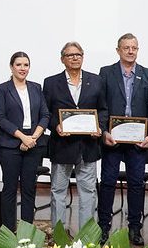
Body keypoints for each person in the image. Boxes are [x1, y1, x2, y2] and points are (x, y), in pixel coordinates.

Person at [97, 33, 148, 246]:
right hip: (112, 140)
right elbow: (102, 106)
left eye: (134, 48)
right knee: (107, 182)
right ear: (118, 50)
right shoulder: (106, 73)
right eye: (126, 48)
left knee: (136, 184)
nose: (131, 51)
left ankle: (135, 228)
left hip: (138, 141)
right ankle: (103, 227)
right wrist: (103, 132)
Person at [42, 42, 105, 230]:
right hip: (62, 146)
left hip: (88, 146)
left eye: (78, 54)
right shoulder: (51, 82)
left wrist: (100, 127)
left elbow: (103, 110)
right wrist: (56, 126)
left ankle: (86, 237)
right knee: (58, 191)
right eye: (70, 55)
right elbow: (45, 112)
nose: (75, 57)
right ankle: (59, 236)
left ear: (83, 57)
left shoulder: (96, 81)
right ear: (62, 59)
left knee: (88, 192)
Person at [0, 51, 50, 232]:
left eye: (26, 65)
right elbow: (0, 118)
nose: (22, 68)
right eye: (18, 65)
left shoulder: (36, 88)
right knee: (10, 189)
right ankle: (8, 231)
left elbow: (45, 115)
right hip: (10, 145)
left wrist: (33, 137)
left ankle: (27, 231)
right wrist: (22, 137)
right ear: (11, 67)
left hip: (33, 144)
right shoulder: (2, 89)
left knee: (29, 189)